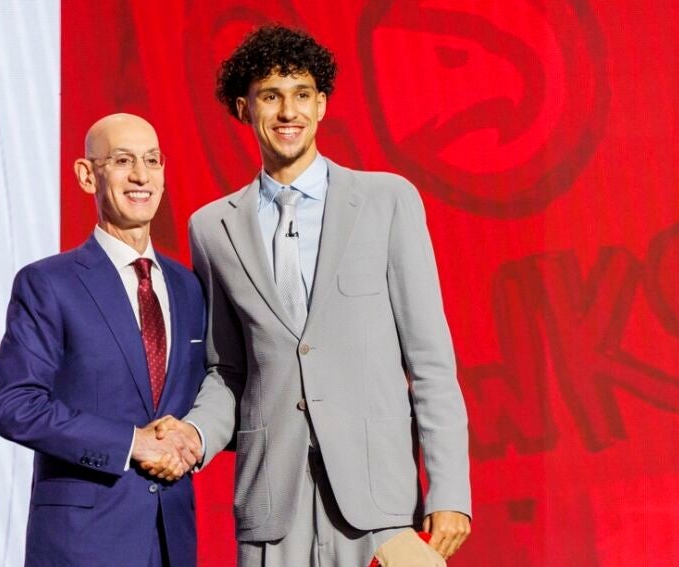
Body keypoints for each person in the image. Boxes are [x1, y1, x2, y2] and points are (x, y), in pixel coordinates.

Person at [163, 25, 472, 566]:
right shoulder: (212, 228)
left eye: (302, 94)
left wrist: (449, 491)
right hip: (272, 506)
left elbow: (429, 361)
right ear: (244, 108)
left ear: (322, 104)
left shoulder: (386, 200)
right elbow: (227, 370)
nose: (289, 111)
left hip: (381, 506)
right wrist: (193, 436)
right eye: (271, 96)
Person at [0, 113, 206, 566]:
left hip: (171, 538)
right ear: (87, 176)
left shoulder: (188, 287)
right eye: (123, 160)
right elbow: (16, 406)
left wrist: (194, 436)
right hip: (82, 543)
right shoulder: (48, 284)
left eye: (152, 160)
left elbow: (207, 393)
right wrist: (132, 443)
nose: (141, 175)